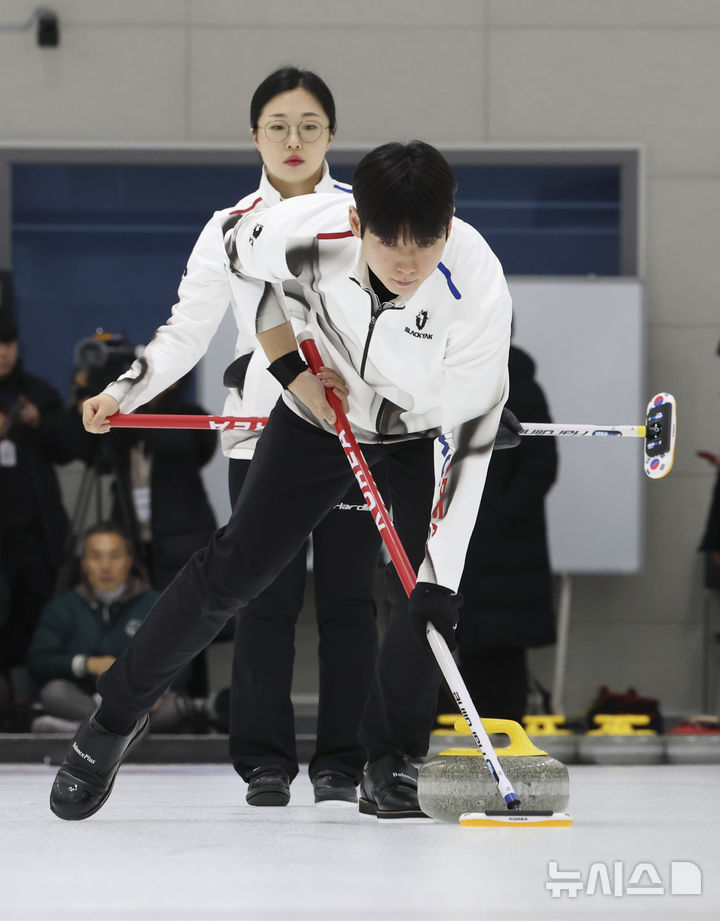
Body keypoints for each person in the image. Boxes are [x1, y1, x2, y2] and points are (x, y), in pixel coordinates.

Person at [50, 139, 512, 823]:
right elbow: (241, 262)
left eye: (429, 240)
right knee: (233, 570)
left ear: (450, 224)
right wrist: (288, 367)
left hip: (420, 428)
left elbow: (470, 446)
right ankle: (113, 718)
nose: (410, 262)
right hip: (318, 415)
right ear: (358, 225)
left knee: (424, 593)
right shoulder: (310, 231)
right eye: (393, 243)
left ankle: (389, 763)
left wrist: (442, 577)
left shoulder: (476, 287)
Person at [445, 342, 558, 723]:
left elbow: (541, 462)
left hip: (507, 544)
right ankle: (466, 731)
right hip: (458, 532)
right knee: (462, 635)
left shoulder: (521, 385)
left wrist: (498, 512)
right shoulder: (446, 374)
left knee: (503, 644)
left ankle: (505, 731)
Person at [26, 522, 201, 733]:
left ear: (129, 561)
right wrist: (87, 664)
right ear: (83, 563)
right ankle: (115, 733)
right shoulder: (63, 606)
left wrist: (152, 689)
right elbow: (39, 661)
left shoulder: (157, 603)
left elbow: (183, 665)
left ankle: (83, 732)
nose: (106, 566)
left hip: (139, 702)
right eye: (96, 557)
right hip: (86, 699)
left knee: (176, 705)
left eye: (115, 556)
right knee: (54, 692)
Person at [0, 315, 75, 710]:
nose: (2, 353)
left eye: (8, 343)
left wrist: (36, 422)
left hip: (33, 532)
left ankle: (40, 702)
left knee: (39, 612)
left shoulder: (37, 393)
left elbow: (68, 448)